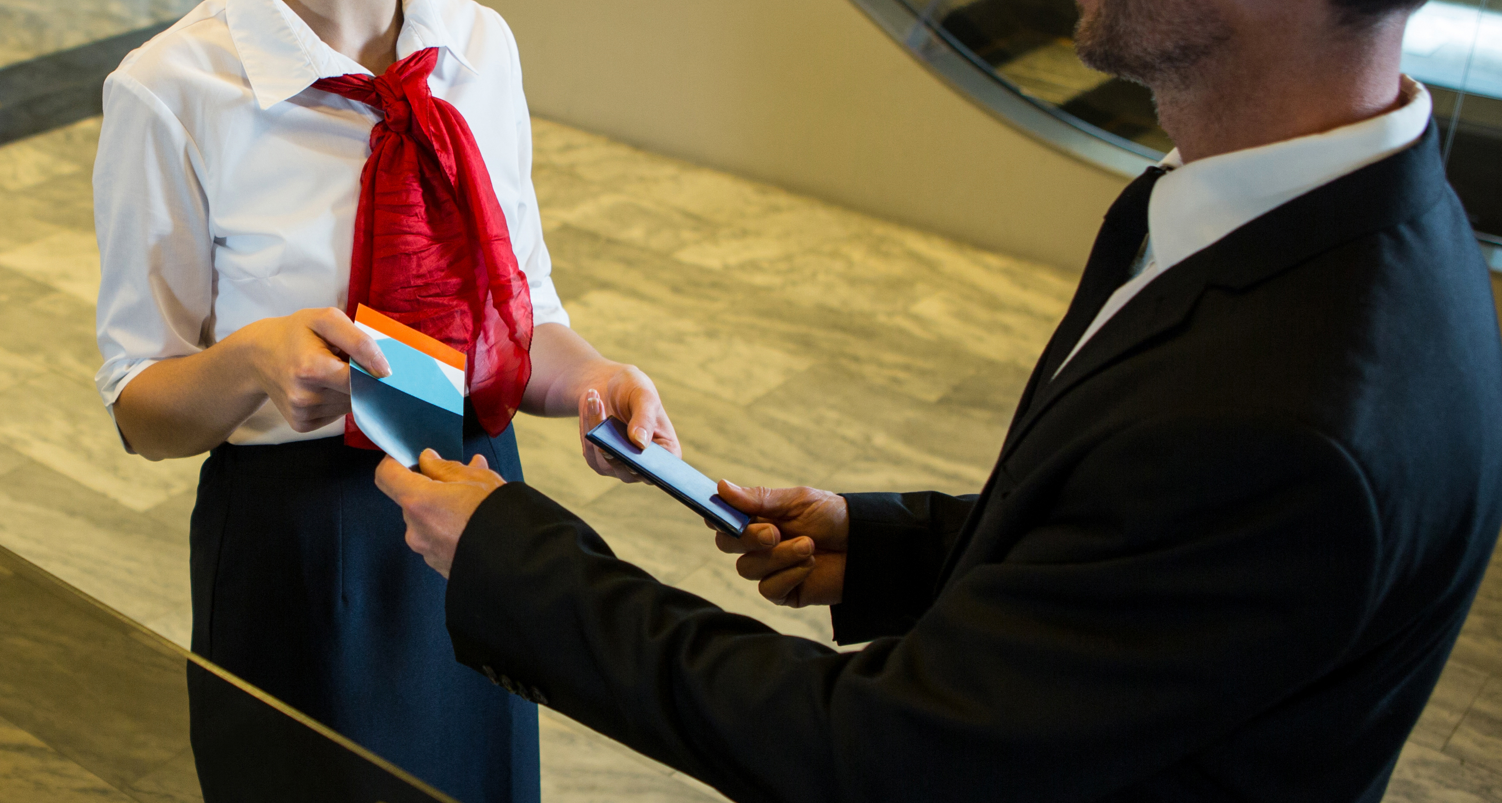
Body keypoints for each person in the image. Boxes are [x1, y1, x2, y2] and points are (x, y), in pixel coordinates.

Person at [376, 0, 1502, 799]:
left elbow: (877, 758)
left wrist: (518, 561)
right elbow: (1150, 551)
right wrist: (896, 547)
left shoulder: (1289, 417)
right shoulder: (1326, 212)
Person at [91, 0, 677, 800]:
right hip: (301, 542)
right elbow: (140, 404)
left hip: (478, 510)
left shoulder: (476, 43)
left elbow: (520, 314)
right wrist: (250, 364)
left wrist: (596, 380)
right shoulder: (172, 86)